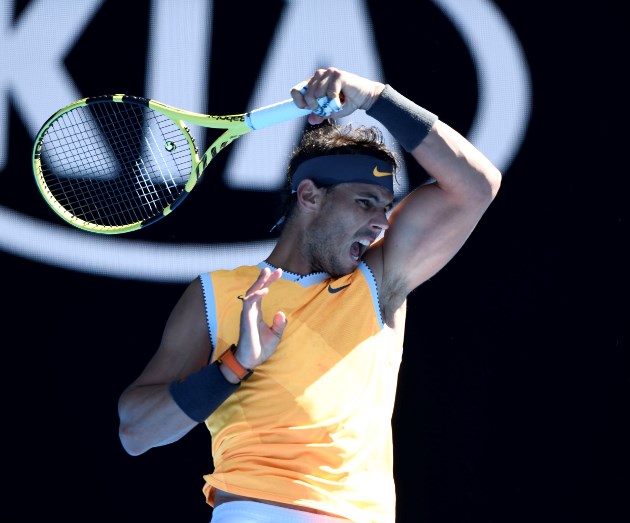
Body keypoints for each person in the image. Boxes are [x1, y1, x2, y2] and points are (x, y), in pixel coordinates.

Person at [117, 67, 501, 523]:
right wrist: (234, 366)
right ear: (309, 197)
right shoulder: (216, 294)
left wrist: (377, 97)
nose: (382, 220)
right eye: (365, 201)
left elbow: (476, 186)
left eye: (385, 204)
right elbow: (136, 431)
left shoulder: (379, 279)